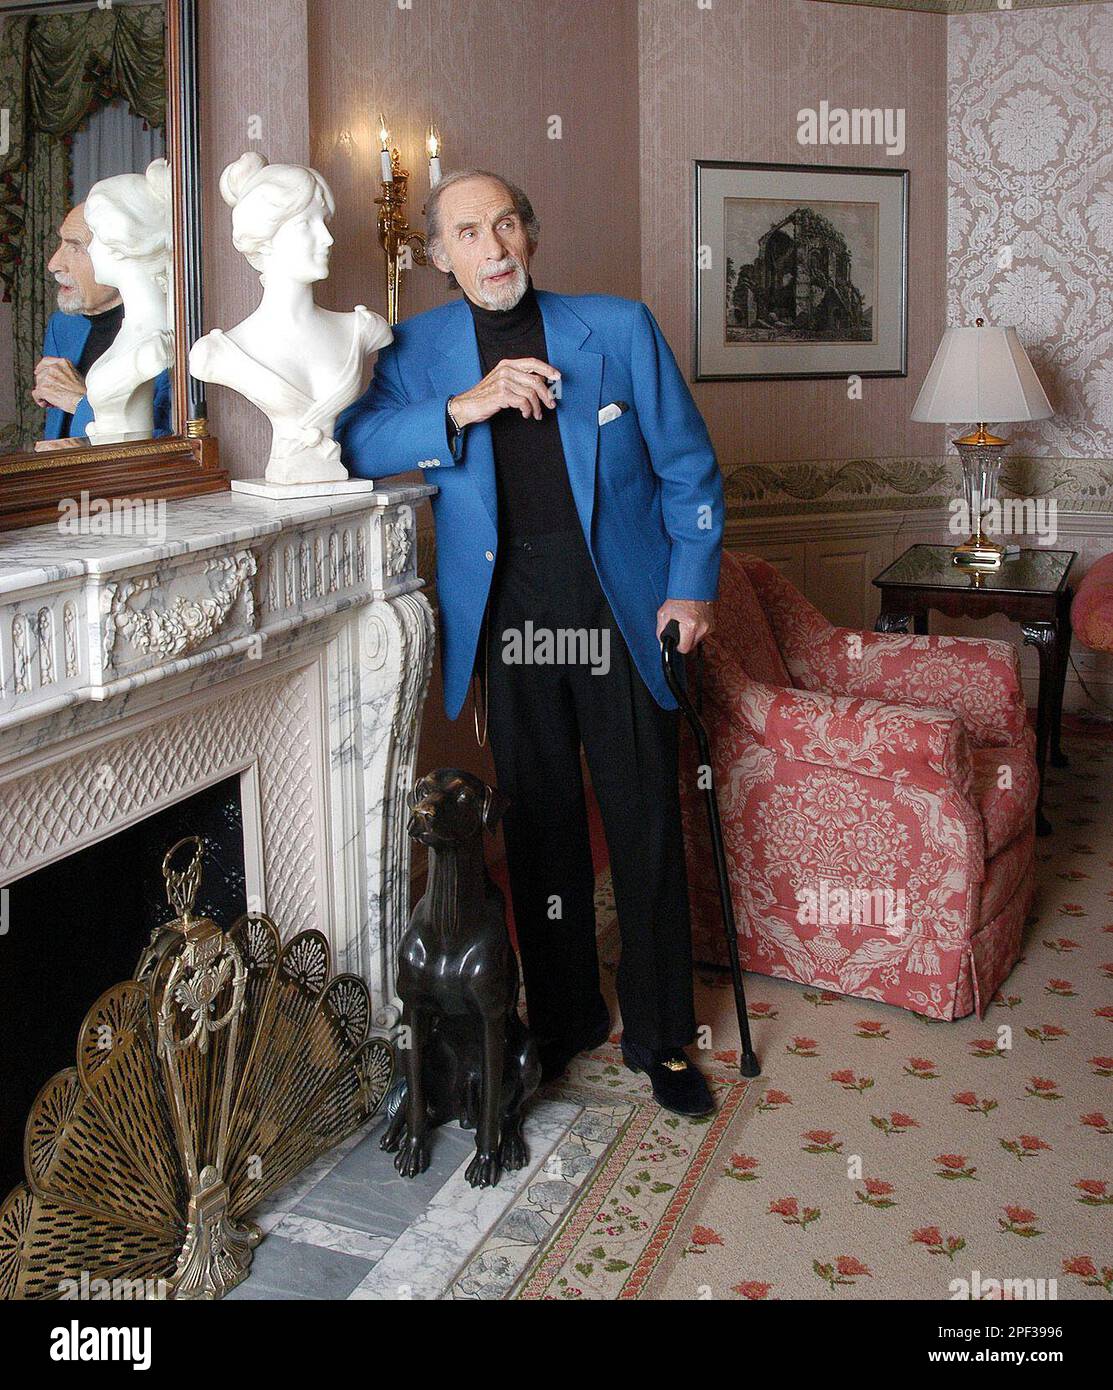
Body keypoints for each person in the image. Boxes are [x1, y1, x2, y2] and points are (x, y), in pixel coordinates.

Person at [336, 170, 723, 1116]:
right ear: (439, 254)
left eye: (506, 223)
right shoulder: (415, 349)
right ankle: (562, 1020)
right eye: (468, 231)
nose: (493, 247)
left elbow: (690, 471)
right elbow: (356, 441)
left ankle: (662, 1032)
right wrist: (466, 406)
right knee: (543, 823)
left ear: (530, 234)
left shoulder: (618, 328)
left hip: (623, 607)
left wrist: (689, 590)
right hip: (509, 612)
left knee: (640, 820)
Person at [34, 202, 171, 448]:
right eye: (61, 243)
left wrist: (78, 401)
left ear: (121, 253)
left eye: (75, 247)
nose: (54, 263)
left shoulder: (170, 333)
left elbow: (166, 441)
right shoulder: (63, 326)